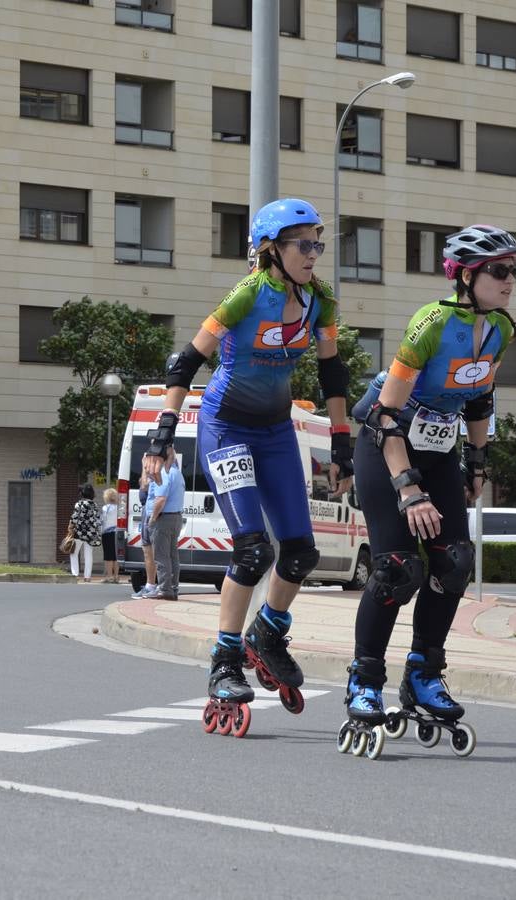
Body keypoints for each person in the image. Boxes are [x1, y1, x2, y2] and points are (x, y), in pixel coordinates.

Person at [143, 198, 352, 722]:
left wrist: (342, 442)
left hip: (277, 430)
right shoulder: (247, 295)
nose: (313, 254)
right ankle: (225, 658)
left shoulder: (319, 303)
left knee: (302, 554)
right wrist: (163, 432)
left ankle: (269, 632)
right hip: (227, 426)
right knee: (254, 549)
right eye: (302, 244)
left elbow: (332, 375)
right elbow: (184, 361)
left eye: (317, 244)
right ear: (269, 249)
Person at [343, 224, 516, 736]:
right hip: (388, 443)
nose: (510, 279)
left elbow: (480, 399)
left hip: (441, 443)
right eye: (500, 270)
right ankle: (364, 679)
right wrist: (408, 488)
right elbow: (384, 416)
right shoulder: (431, 323)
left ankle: (423, 673)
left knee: (454, 560)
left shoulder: (503, 329)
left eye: (514, 270)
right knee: (397, 569)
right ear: (465, 276)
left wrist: (478, 461)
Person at [143, 444, 185, 600]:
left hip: (163, 518)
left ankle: (164, 589)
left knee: (161, 556)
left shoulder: (164, 473)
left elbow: (160, 498)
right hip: (176, 517)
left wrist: (153, 518)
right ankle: (173, 587)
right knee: (173, 555)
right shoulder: (177, 473)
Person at [131, 463, 158, 598]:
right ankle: (151, 584)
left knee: (150, 550)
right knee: (148, 550)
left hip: (150, 512)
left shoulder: (157, 468)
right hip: (147, 510)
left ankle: (152, 585)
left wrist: (143, 467)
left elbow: (144, 485)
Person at [68, 484, 101, 584]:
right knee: (88, 555)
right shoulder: (95, 505)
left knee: (74, 553)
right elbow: (98, 519)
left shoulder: (79, 504)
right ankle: (87, 577)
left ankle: (75, 575)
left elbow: (74, 517)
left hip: (79, 532)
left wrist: (70, 526)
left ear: (82, 493)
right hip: (91, 533)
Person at [100, 487, 120, 583]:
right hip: (117, 532)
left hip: (107, 533)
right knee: (116, 556)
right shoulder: (119, 508)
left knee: (108, 556)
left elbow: (102, 521)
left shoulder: (105, 508)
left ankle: (109, 576)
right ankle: (116, 576)